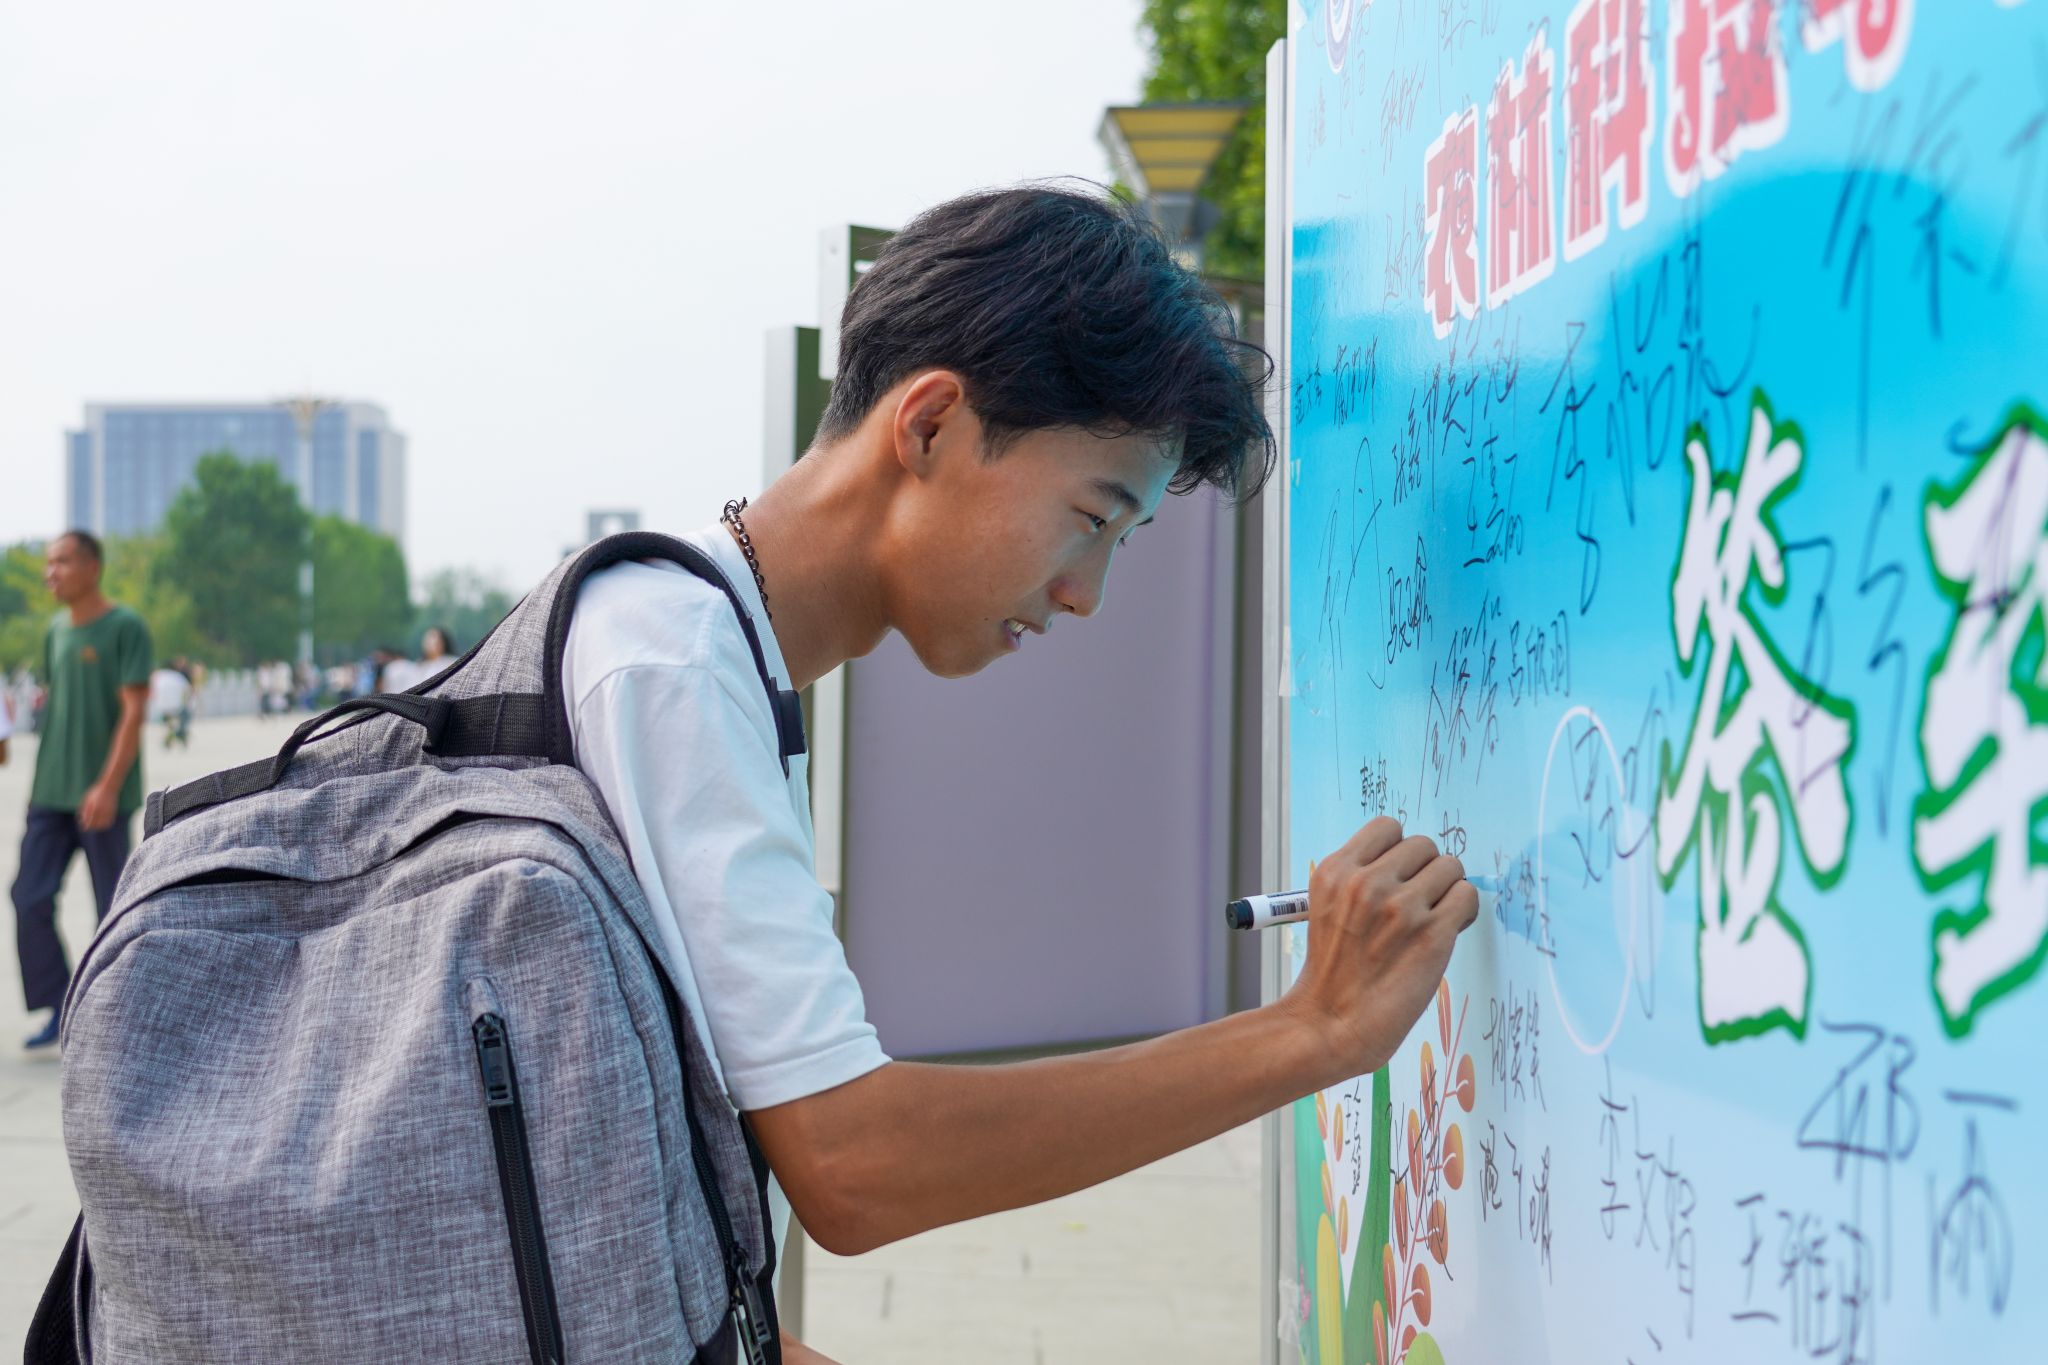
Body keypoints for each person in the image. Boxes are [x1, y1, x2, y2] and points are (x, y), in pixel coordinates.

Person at [559, 186, 1478, 1364]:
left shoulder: (701, 651)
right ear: (930, 425)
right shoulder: (670, 665)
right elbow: (853, 1164)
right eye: (1090, 518)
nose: (1085, 594)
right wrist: (1315, 1028)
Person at [9, 530, 152, 1054]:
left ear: (93, 567)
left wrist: (107, 787)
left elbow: (133, 713)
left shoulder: (125, 627)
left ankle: (114, 1014)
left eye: (62, 562)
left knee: (111, 909)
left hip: (102, 798)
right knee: (28, 896)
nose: (51, 572)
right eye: (49, 563)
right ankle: (58, 1004)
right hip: (51, 790)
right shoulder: (54, 631)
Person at [381, 625, 455, 693]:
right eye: (427, 639)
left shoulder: (450, 662)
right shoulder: (420, 665)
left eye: (434, 638)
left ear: (443, 642)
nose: (430, 642)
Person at [147, 657, 193, 748]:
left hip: (160, 708)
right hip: (177, 707)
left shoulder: (156, 676)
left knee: (168, 720)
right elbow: (188, 691)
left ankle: (171, 733)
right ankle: (179, 733)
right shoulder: (178, 676)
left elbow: (150, 691)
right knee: (186, 715)